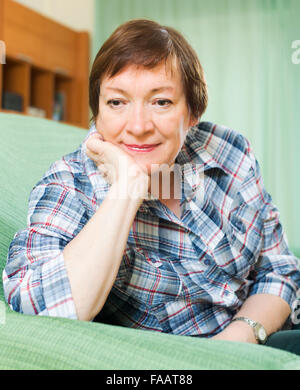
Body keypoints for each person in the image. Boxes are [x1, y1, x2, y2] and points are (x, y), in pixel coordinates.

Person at [3, 19, 300, 355]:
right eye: (117, 103)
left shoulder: (227, 150)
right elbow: (44, 311)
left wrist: (241, 336)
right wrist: (127, 189)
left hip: (265, 332)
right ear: (97, 112)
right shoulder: (70, 184)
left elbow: (279, 267)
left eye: (161, 102)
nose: (139, 126)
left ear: (192, 111)